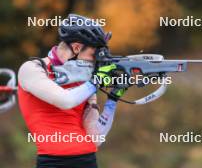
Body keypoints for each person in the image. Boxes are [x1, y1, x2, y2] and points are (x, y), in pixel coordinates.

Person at [18, 14, 125, 168]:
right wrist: (95, 82)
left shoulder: (84, 81)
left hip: (88, 160)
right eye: (92, 55)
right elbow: (65, 101)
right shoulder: (32, 68)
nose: (94, 63)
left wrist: (113, 99)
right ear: (76, 48)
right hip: (53, 162)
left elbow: (97, 137)